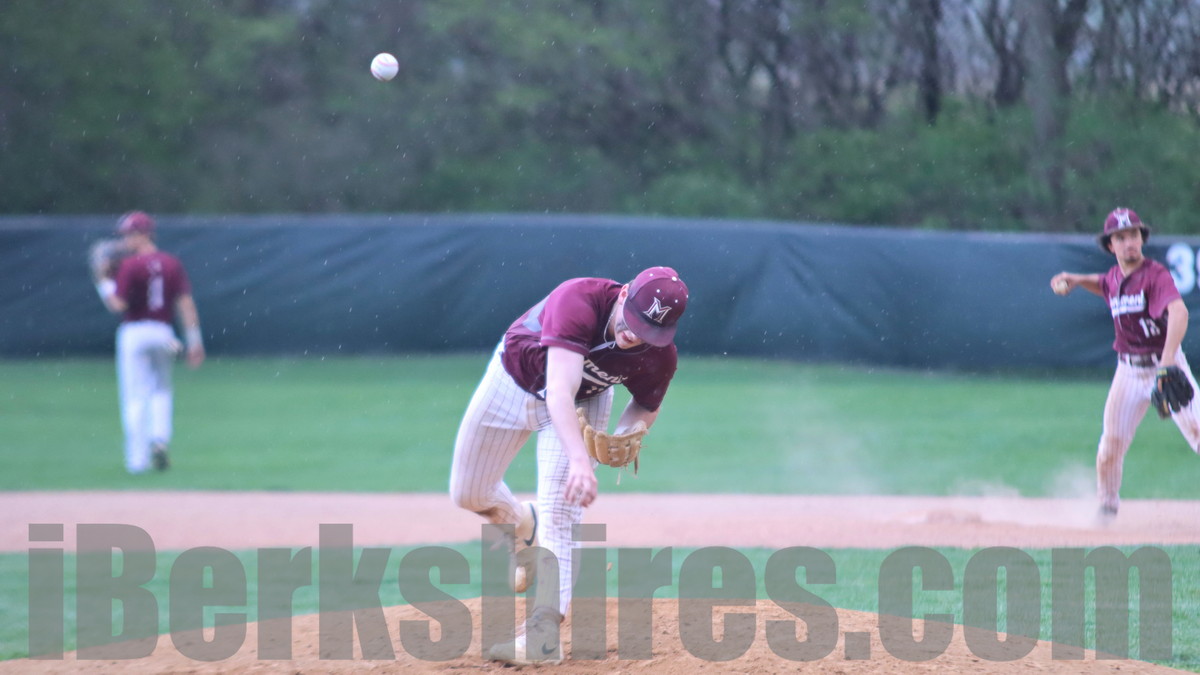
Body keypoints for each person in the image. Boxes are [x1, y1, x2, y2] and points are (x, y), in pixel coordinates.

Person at [449, 266, 688, 665]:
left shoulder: (659, 355)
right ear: (624, 294)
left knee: (562, 511)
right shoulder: (579, 298)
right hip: (512, 380)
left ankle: (543, 634)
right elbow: (559, 388)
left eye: (648, 330)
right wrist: (580, 460)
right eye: (633, 319)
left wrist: (627, 432)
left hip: (585, 402)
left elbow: (647, 404)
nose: (634, 334)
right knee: (468, 494)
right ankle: (524, 523)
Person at [1050, 207, 1200, 521]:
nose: (1129, 242)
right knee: (1110, 447)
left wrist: (1168, 364)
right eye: (1120, 237)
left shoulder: (1155, 275)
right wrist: (1077, 279)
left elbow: (1179, 313)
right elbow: (1103, 283)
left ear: (1142, 239)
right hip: (1129, 372)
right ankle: (1107, 508)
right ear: (1111, 245)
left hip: (1165, 364)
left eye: (1133, 234)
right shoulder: (1114, 277)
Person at [94, 211, 206, 474]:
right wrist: (194, 341)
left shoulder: (129, 265)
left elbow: (117, 305)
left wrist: (102, 282)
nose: (125, 240)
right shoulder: (171, 263)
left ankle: (137, 461)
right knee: (161, 391)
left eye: (129, 234)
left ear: (143, 234)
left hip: (134, 333)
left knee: (134, 396)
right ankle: (160, 439)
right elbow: (185, 304)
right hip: (164, 333)